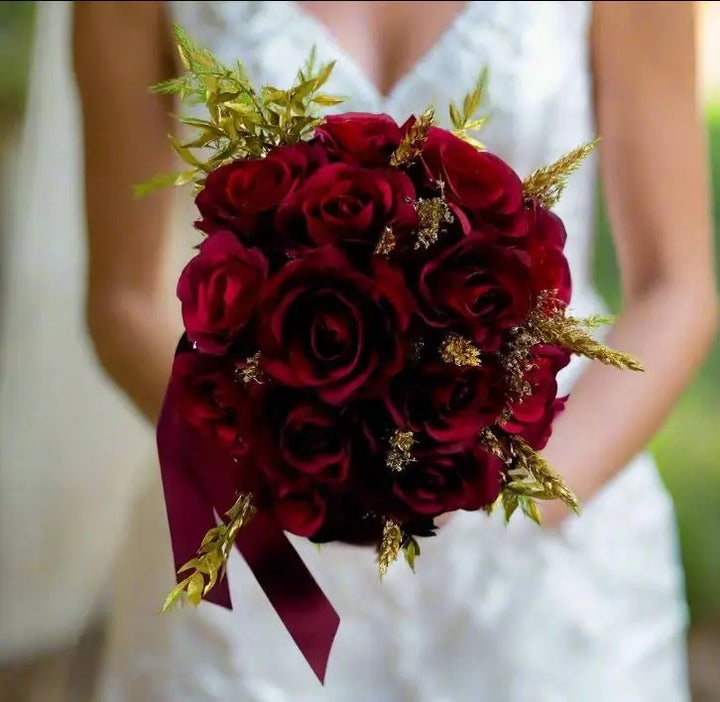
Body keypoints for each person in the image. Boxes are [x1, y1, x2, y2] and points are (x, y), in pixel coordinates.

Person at [71, 2, 717, 700]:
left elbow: (675, 289)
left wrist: (522, 497)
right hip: (263, 550)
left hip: (541, 564)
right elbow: (122, 303)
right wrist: (282, 474)